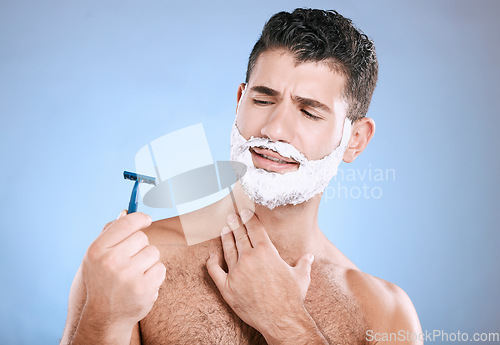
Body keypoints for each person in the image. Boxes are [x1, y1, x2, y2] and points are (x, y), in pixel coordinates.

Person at [61, 8, 422, 345]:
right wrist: (103, 318)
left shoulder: (386, 312)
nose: (274, 128)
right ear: (239, 102)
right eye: (262, 100)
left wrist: (287, 322)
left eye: (309, 112)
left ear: (355, 140)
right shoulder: (132, 265)